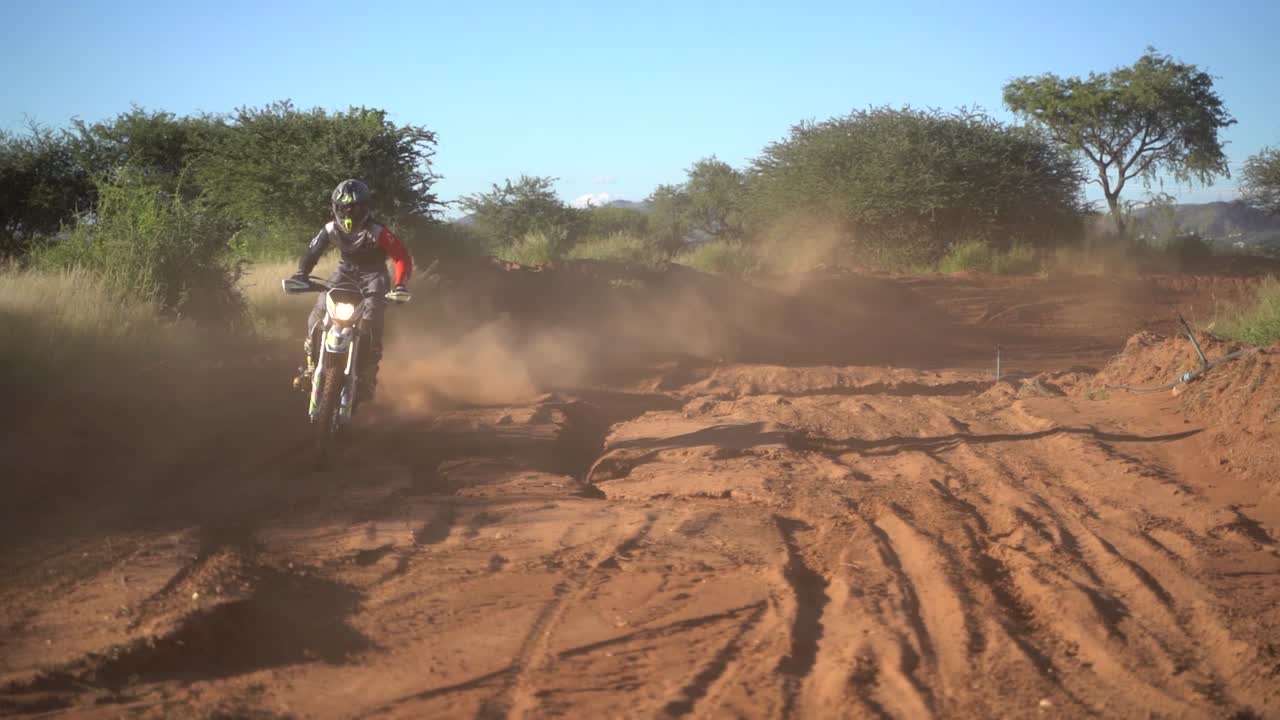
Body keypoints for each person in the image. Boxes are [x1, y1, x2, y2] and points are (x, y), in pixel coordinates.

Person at [290, 179, 413, 401]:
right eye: (345, 207)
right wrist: (301, 275)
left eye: (357, 207)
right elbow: (311, 253)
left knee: (372, 314)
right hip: (344, 273)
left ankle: (368, 371)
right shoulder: (330, 228)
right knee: (319, 310)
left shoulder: (377, 231)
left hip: (374, 275)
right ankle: (310, 364)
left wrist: (400, 285)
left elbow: (401, 257)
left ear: (366, 207)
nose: (350, 212)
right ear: (336, 207)